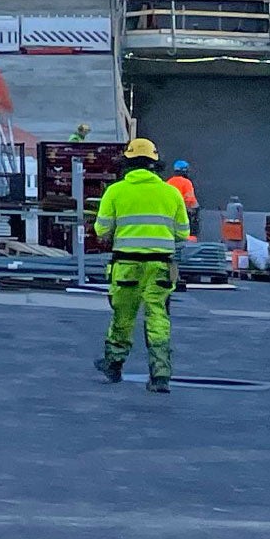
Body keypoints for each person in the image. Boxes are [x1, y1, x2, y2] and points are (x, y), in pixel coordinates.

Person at [93, 137, 190, 394]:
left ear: (127, 162)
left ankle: (113, 366)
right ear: (155, 164)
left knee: (122, 317)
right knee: (158, 317)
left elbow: (101, 229)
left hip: (125, 265)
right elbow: (182, 232)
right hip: (159, 266)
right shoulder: (171, 193)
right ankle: (160, 376)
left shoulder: (115, 191)